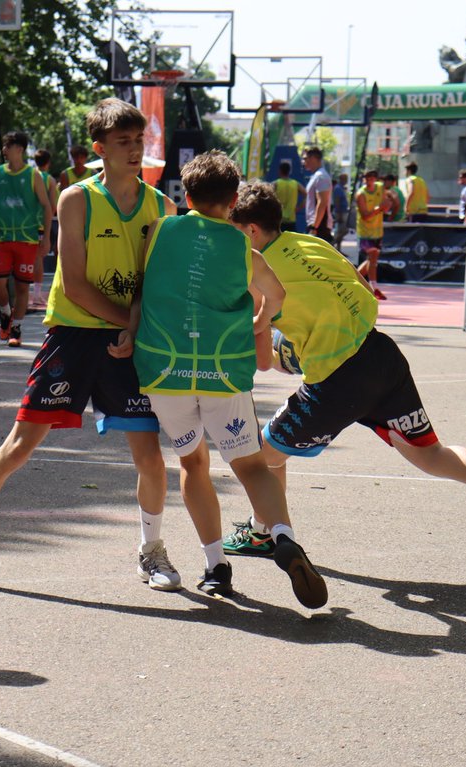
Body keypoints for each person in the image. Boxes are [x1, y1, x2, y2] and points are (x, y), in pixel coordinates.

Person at [0, 98, 177, 591]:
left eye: (140, 141)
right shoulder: (76, 198)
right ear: (100, 148)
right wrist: (131, 323)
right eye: (124, 142)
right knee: (18, 447)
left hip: (127, 341)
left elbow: (155, 281)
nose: (135, 149)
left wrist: (140, 327)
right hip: (74, 335)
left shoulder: (162, 207)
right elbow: (73, 284)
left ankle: (152, 552)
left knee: (150, 455)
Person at [222, 182, 466, 560]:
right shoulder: (311, 243)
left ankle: (268, 533)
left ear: (250, 231)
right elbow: (360, 283)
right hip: (381, 356)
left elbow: (265, 360)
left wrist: (270, 340)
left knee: (259, 459)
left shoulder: (260, 272)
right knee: (429, 454)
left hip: (336, 380)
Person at [126, 152, 326, 606]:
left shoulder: (159, 230)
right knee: (252, 465)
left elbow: (143, 284)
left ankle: (216, 565)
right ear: (234, 201)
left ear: (186, 194)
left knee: (193, 465)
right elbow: (276, 295)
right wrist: (259, 320)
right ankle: (282, 535)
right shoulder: (243, 248)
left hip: (166, 371)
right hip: (223, 372)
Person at [0, 130, 53, 347]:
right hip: (2, 237)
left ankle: (17, 329)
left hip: (27, 239)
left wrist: (46, 237)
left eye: (7, 146)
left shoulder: (33, 175)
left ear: (19, 149)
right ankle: (5, 313)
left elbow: (47, 206)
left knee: (22, 289)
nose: (3, 150)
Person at [29, 149, 60, 308]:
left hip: (24, 223)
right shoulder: (49, 180)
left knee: (23, 257)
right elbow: (54, 205)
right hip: (40, 224)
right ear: (48, 162)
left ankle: (28, 292)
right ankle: (36, 295)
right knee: (38, 258)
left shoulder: (28, 176)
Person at [355, 169, 389, 300]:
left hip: (377, 230)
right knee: (373, 256)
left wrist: (387, 205)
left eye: (371, 178)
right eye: (366, 178)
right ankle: (373, 287)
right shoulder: (361, 194)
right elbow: (365, 216)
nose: (369, 181)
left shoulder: (380, 188)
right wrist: (379, 208)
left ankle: (354, 279)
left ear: (375, 179)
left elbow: (386, 204)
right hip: (365, 231)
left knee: (372, 259)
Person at [302, 147, 333, 241]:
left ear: (313, 158)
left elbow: (322, 202)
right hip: (315, 225)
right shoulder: (316, 176)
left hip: (319, 227)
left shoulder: (321, 177)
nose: (303, 162)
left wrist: (314, 228)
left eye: (305, 158)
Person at [272, 161, 304, 232]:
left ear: (280, 171)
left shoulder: (276, 183)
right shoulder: (296, 184)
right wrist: (299, 207)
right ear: (289, 171)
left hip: (279, 219)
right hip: (291, 219)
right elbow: (306, 195)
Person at [331, 172, 350, 246]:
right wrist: (339, 214)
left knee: (341, 230)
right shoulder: (338, 188)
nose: (345, 180)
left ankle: (338, 248)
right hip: (340, 212)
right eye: (345, 179)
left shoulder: (342, 188)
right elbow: (337, 201)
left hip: (343, 211)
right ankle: (332, 244)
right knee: (343, 230)